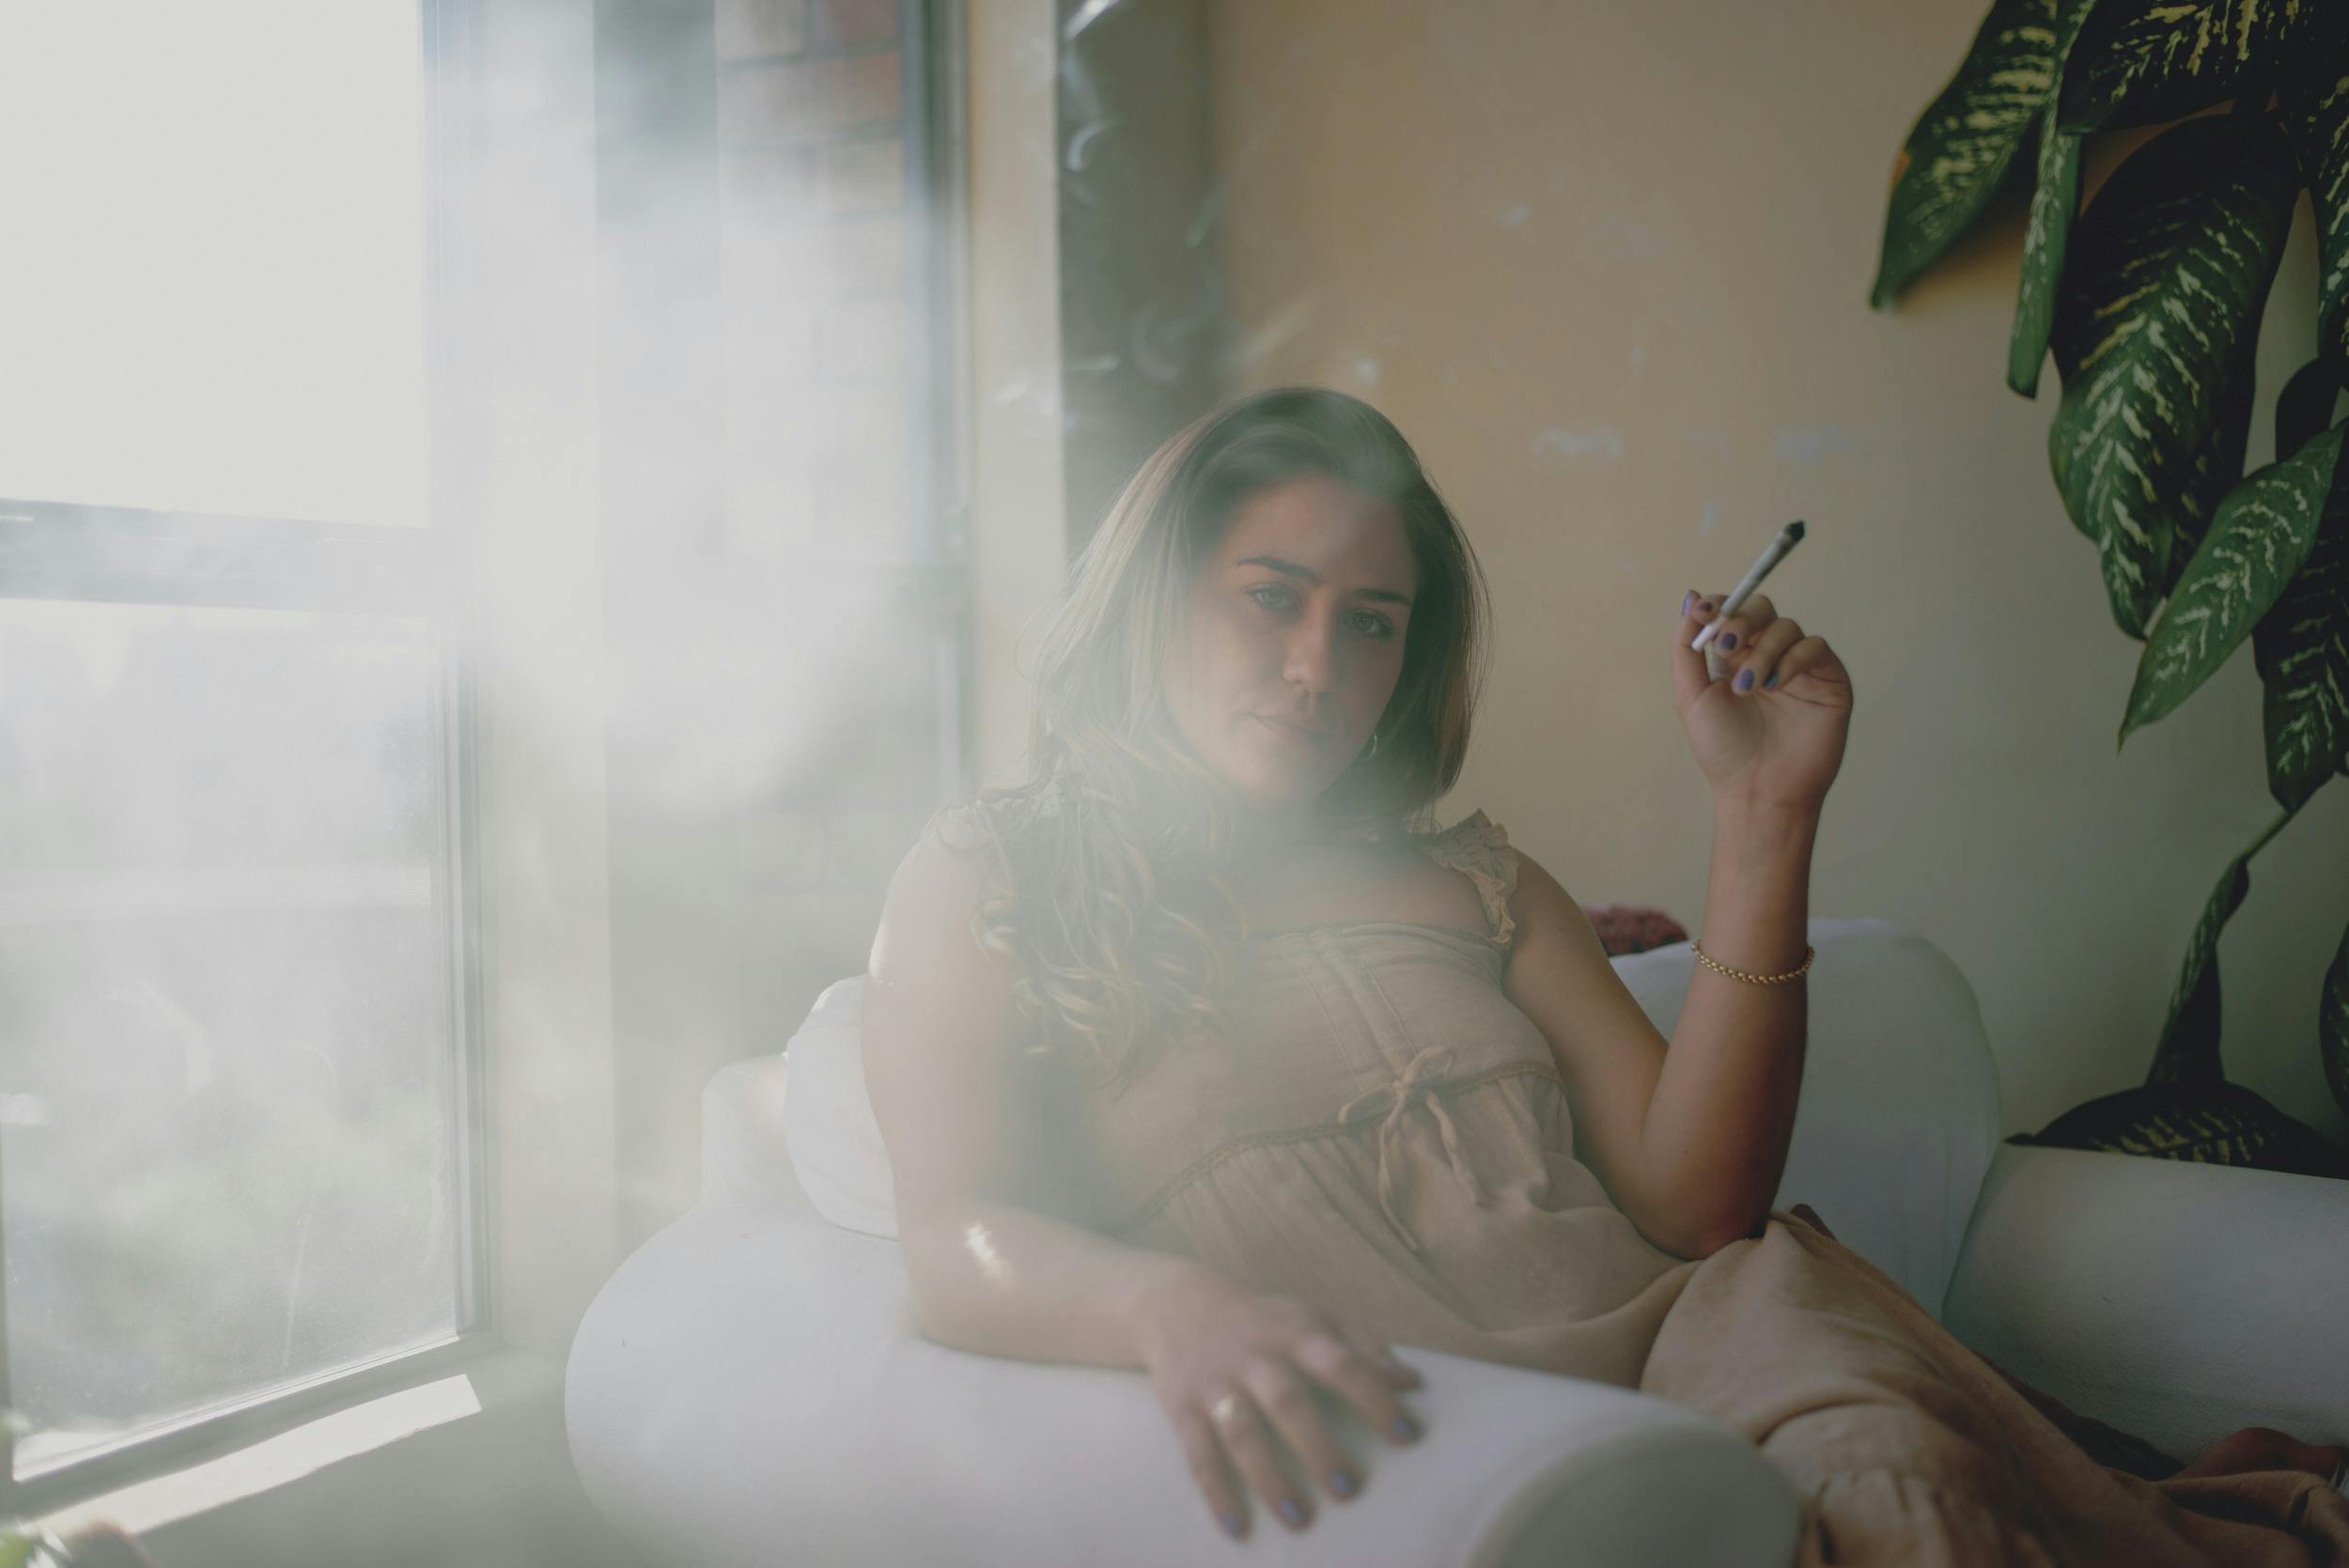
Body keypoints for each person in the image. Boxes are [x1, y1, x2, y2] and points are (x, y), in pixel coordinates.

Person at [860, 385, 2348, 1562]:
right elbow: (954, 1232)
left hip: (1728, 1342)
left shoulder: (1478, 881)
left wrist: (1767, 812)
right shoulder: (997, 876)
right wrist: (1166, 1312)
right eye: (1269, 595)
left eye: (1369, 624)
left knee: (1910, 1502)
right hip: (1485, 1438)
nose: (1318, 664)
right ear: (1154, 590)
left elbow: (1697, 1206)